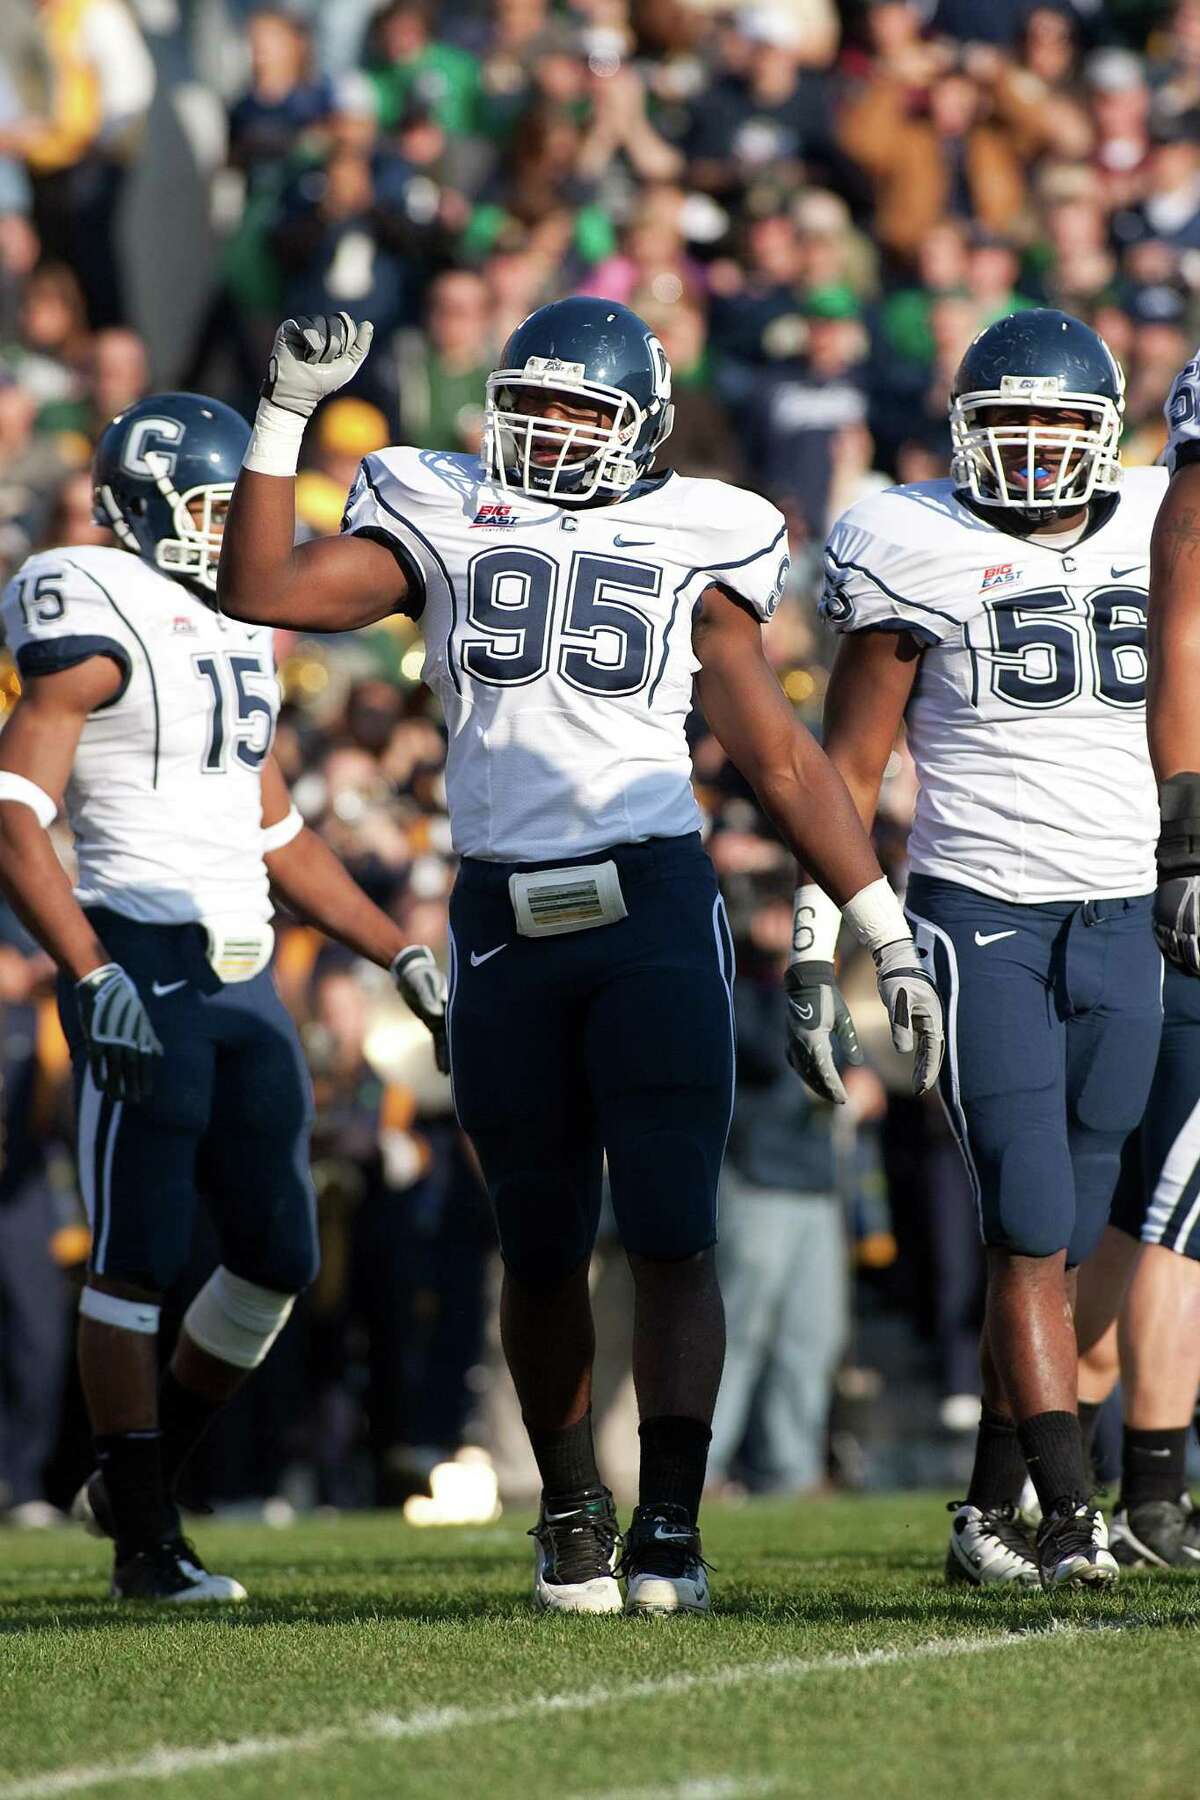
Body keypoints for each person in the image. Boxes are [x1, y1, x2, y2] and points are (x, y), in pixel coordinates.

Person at [214, 297, 944, 1615]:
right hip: (502, 915)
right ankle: (568, 1512)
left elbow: (778, 756)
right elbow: (261, 587)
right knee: (539, 1242)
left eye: (578, 410)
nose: (548, 431)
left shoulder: (698, 536)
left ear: (643, 429)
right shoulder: (441, 511)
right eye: (531, 403)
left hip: (653, 906)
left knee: (671, 1230)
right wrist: (284, 415)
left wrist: (878, 928)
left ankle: (669, 1523)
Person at [0, 392, 447, 1602]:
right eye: (199, 508)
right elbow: (14, 815)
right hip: (142, 952)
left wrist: (386, 946)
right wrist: (86, 970)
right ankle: (147, 1543)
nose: (215, 532)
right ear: (140, 508)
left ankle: (136, 1479)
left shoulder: (239, 621)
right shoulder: (90, 602)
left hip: (244, 974)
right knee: (136, 1256)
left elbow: (275, 826)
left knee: (277, 1255)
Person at [812, 309, 1165, 1590]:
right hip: (981, 914)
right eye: (1003, 428)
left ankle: (985, 1514)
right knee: (1023, 1220)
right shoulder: (915, 541)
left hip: (1124, 912)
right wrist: (824, 941)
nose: (1027, 455)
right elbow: (843, 768)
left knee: (1066, 1238)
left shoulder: (1158, 521)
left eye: (1055, 428)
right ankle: (1076, 1516)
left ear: (1103, 434)